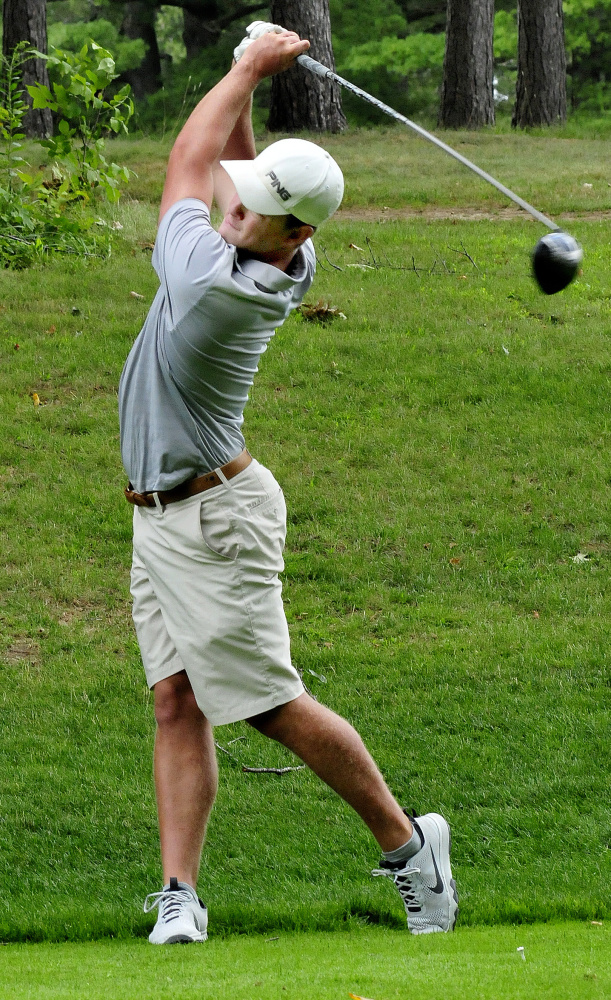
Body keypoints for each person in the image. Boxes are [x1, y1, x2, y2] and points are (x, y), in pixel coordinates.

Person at [118, 22, 458, 945]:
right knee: (175, 699)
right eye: (243, 198)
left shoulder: (212, 284)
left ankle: (407, 844)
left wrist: (244, 67)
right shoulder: (276, 250)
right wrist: (257, 94)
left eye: (254, 208)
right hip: (162, 516)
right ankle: (180, 897)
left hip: (215, 518)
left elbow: (188, 158)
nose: (233, 207)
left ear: (293, 233)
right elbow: (235, 167)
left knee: (268, 701)